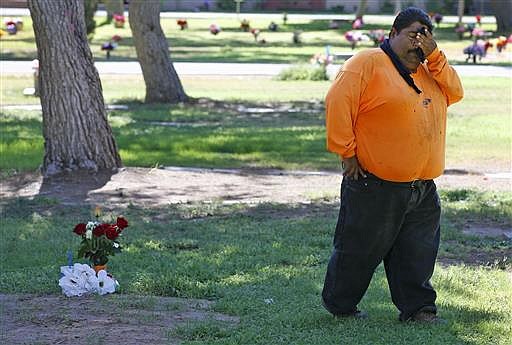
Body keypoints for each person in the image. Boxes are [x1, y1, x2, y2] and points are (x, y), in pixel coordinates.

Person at [322, 7, 463, 322]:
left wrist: (435, 56)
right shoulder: (366, 63)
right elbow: (338, 104)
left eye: (426, 36)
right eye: (413, 34)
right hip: (375, 183)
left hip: (422, 186)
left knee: (418, 252)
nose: (419, 43)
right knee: (359, 250)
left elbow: (456, 92)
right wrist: (347, 153)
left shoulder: (431, 70)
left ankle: (419, 309)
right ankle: (341, 306)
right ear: (392, 34)